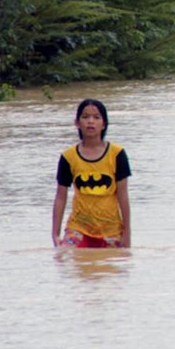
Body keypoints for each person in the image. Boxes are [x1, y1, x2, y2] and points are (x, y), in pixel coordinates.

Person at [52, 99, 131, 248]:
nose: (90, 122)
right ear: (77, 123)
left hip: (111, 229)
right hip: (79, 228)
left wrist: (127, 235)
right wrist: (55, 234)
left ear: (104, 124)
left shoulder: (117, 154)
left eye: (96, 117)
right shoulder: (68, 156)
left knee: (116, 265)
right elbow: (60, 197)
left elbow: (123, 197)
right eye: (85, 117)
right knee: (63, 255)